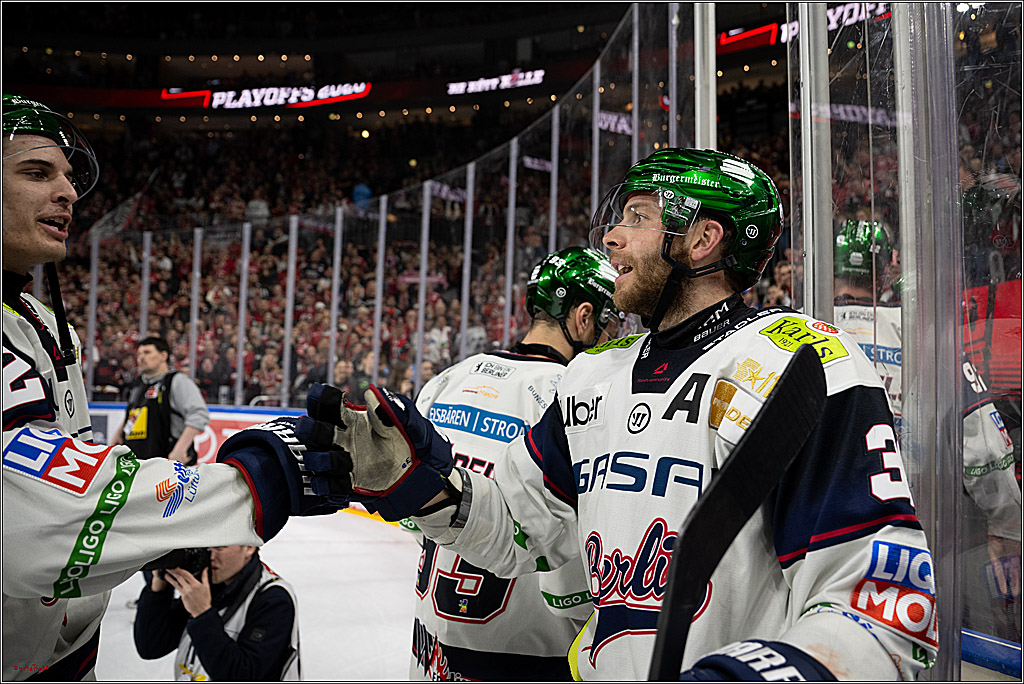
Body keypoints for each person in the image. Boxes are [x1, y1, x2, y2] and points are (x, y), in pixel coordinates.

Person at [302, 148, 939, 679]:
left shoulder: (797, 365)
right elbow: (517, 528)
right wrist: (424, 488)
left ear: (702, 239)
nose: (611, 236)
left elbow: (884, 606)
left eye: (638, 216)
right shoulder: (593, 376)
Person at [2, 93, 340, 681]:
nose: (69, 192)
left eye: (67, 176)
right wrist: (257, 477)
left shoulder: (42, 321)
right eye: (37, 172)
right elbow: (38, 513)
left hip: (67, 625)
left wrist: (163, 512)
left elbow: (98, 454)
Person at [406, 246, 627, 680]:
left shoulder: (449, 379)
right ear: (583, 317)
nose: (611, 339)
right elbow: (573, 582)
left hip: (431, 646)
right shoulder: (578, 400)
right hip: (528, 654)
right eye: (610, 325)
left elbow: (418, 515)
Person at [831, 218, 1021, 637]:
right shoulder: (919, 335)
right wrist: (1007, 525)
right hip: (910, 538)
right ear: (886, 269)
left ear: (831, 266)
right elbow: (985, 448)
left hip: (824, 537)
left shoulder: (803, 327)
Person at [133, 545, 300, 680]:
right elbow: (151, 647)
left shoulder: (274, 599)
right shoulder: (210, 583)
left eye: (220, 548)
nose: (210, 556)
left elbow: (243, 674)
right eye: (206, 547)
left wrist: (202, 613)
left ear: (249, 547)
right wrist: (159, 586)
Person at [112, 337, 210, 465]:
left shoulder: (177, 381)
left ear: (163, 356)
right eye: (139, 354)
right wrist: (119, 435)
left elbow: (199, 414)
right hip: (137, 463)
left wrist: (180, 448)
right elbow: (135, 413)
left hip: (166, 464)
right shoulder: (138, 384)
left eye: (147, 352)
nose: (141, 358)